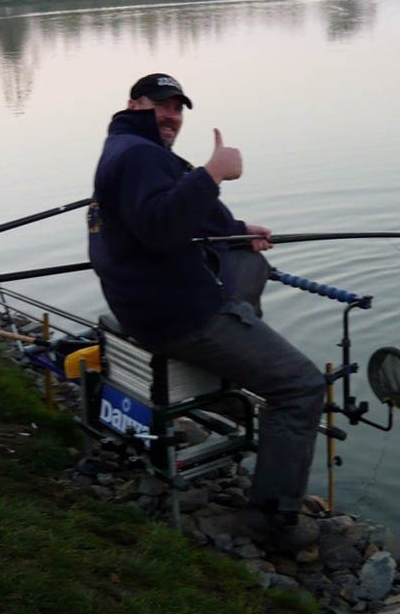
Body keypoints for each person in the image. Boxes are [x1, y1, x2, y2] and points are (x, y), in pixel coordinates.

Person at [87, 72, 324, 541]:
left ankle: (238, 372)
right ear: (134, 104)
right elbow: (160, 226)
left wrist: (237, 229)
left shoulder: (131, 150)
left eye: (177, 108)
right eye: (161, 105)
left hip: (144, 301)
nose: (171, 116)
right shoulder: (138, 156)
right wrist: (212, 173)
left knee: (246, 261)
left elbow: (174, 205)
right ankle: (273, 520)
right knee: (301, 385)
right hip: (179, 314)